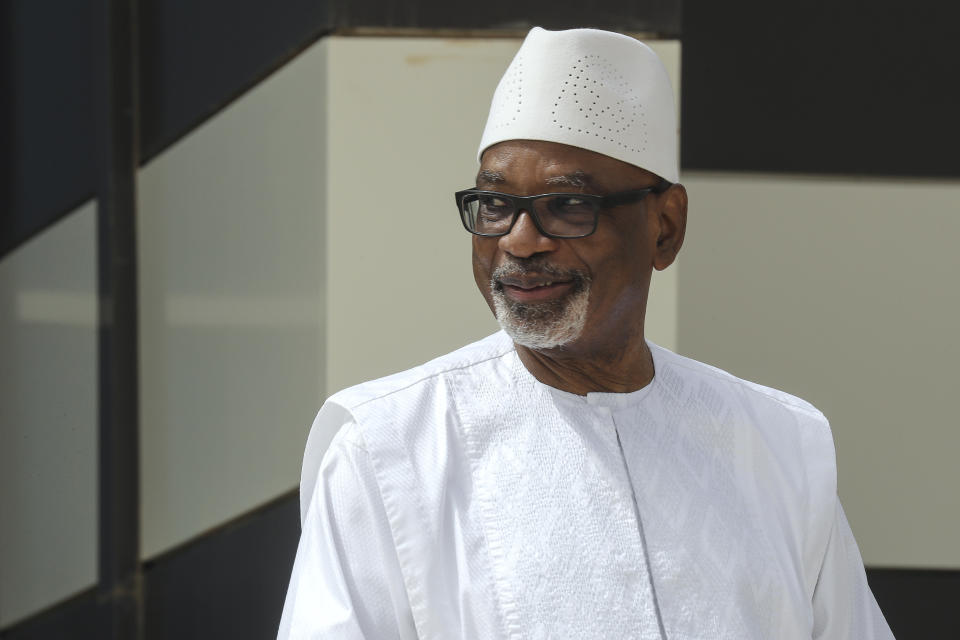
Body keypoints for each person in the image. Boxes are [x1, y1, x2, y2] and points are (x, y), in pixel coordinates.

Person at [278, 27, 894, 639]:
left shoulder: (777, 446)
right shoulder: (391, 449)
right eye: (495, 206)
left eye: (568, 207)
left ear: (666, 227)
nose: (519, 240)